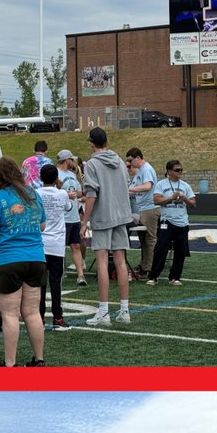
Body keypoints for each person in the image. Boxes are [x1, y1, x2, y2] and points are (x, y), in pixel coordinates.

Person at [0, 156, 47, 367]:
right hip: (36, 258)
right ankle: (39, 358)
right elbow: (43, 226)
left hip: (8, 259)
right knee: (32, 311)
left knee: (10, 314)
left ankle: (10, 363)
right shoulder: (33, 194)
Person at [82, 126, 133, 326]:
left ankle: (103, 311)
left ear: (92, 143)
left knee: (102, 262)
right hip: (121, 215)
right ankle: (124, 310)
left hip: (103, 216)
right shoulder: (120, 161)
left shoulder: (92, 164)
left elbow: (92, 194)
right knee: (120, 262)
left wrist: (84, 220)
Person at [145, 160, 196, 285]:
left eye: (181, 170)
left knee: (181, 250)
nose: (180, 172)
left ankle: (175, 277)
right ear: (169, 171)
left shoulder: (185, 186)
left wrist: (185, 199)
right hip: (166, 221)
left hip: (182, 222)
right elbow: (156, 200)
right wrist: (171, 198)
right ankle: (153, 276)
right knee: (161, 248)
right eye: (177, 170)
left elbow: (193, 204)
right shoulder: (161, 184)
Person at [36, 162, 73, 331]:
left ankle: (40, 318)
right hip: (57, 245)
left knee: (40, 285)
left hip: (40, 245)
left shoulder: (35, 194)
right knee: (56, 283)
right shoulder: (62, 194)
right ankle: (58, 318)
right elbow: (69, 207)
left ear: (40, 178)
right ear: (56, 178)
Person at [125, 147, 159, 279]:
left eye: (130, 160)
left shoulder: (147, 169)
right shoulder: (140, 172)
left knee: (149, 239)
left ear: (138, 158)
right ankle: (144, 265)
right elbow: (135, 190)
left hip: (149, 207)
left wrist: (131, 188)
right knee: (143, 240)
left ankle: (149, 268)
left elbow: (147, 186)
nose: (129, 163)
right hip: (143, 207)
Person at [57, 150, 87, 283]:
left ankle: (80, 275)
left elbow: (78, 193)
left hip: (74, 216)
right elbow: (53, 193)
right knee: (60, 246)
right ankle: (60, 271)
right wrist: (66, 195)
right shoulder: (56, 173)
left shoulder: (72, 175)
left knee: (75, 245)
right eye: (71, 159)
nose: (73, 162)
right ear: (66, 160)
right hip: (63, 216)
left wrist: (85, 191)